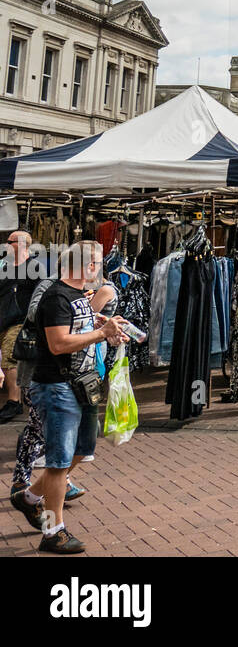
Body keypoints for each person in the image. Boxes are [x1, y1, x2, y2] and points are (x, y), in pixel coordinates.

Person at [23, 240, 125, 553]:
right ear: (83, 265)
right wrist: (101, 334)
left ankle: (27, 498)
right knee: (58, 462)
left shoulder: (78, 297)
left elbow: (73, 330)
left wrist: (100, 323)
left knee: (83, 448)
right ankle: (53, 531)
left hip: (80, 385)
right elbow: (58, 345)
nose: (99, 267)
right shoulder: (56, 296)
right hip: (58, 387)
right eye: (95, 261)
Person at [1, 230, 36, 423]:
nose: (6, 245)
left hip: (19, 322)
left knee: (9, 360)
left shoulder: (34, 268)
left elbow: (39, 297)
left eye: (9, 241)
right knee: (5, 363)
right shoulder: (4, 267)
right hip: (3, 321)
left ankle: (14, 401)